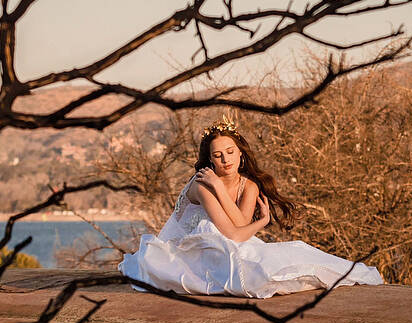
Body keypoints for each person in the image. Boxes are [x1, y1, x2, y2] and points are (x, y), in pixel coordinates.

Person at [120, 119, 384, 297]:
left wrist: (237, 206)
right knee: (247, 272)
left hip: (223, 242)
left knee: (294, 253)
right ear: (209, 159)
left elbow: (240, 226)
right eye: (217, 155)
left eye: (230, 152)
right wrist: (261, 221)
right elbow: (235, 233)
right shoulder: (202, 184)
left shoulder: (249, 185)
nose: (225, 160)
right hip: (184, 253)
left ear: (241, 153)